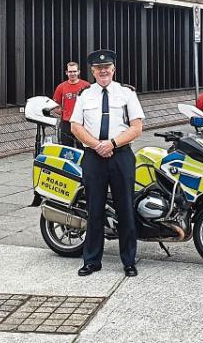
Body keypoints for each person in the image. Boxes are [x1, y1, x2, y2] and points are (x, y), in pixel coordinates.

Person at [70, 50, 144, 278]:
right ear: (92, 71)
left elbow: (137, 127)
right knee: (94, 210)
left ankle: (129, 261)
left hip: (121, 156)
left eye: (107, 68)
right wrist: (96, 145)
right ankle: (92, 260)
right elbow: (75, 126)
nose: (103, 71)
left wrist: (111, 143)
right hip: (94, 158)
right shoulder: (85, 95)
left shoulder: (127, 94)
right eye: (98, 69)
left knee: (126, 209)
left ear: (114, 69)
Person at [53, 62, 90, 148]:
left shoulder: (86, 86)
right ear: (66, 72)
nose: (72, 74)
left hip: (82, 123)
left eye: (74, 71)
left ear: (79, 72)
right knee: (66, 150)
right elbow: (56, 106)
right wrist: (64, 113)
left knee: (83, 148)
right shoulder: (61, 87)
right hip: (66, 123)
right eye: (70, 72)